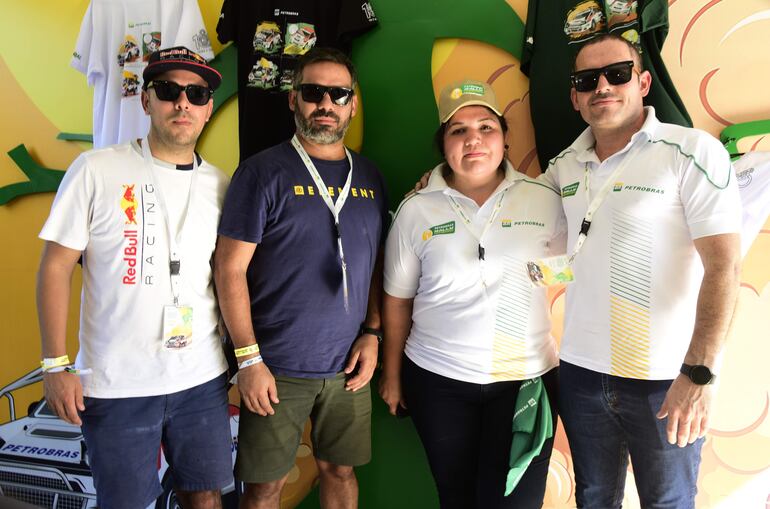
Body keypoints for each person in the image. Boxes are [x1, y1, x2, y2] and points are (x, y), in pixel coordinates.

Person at [543, 34, 742, 508]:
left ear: (643, 82)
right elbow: (525, 223)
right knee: (593, 498)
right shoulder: (562, 166)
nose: (602, 87)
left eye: (617, 74)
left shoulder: (690, 151)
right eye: (587, 80)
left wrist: (699, 374)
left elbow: (724, 266)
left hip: (666, 377)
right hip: (581, 372)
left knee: (667, 502)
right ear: (574, 96)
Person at [36, 47, 233, 509]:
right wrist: (54, 365)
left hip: (201, 377)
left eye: (196, 94)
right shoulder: (96, 169)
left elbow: (228, 276)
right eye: (168, 91)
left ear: (208, 109)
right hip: (116, 383)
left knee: (205, 496)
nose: (182, 103)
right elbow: (55, 266)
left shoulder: (222, 185)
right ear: (146, 101)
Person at [214, 47, 388, 509]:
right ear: (293, 100)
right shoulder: (260, 172)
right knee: (265, 488)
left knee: (340, 471)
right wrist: (248, 361)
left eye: (338, 94)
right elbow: (228, 268)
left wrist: (373, 333)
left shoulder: (370, 177)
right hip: (274, 367)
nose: (325, 104)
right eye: (313, 92)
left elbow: (375, 264)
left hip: (347, 366)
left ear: (353, 104)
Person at [380, 79, 564, 509]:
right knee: (456, 499)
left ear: (504, 137)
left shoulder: (544, 200)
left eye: (486, 127)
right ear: (443, 143)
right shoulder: (416, 209)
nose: (473, 140)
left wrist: (533, 272)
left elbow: (569, 268)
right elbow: (398, 300)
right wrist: (392, 375)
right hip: (437, 381)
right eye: (458, 130)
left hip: (525, 381)